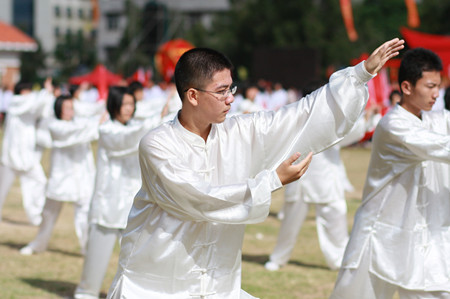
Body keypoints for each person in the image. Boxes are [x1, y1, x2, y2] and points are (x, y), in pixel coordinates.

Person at [107, 38, 404, 299]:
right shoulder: (158, 144)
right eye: (221, 91)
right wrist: (271, 181)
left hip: (216, 285)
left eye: (231, 88)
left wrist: (359, 75)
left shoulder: (240, 131)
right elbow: (198, 198)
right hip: (156, 286)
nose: (231, 98)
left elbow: (299, 116)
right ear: (192, 95)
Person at [330, 48, 450, 299]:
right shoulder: (393, 125)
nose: (436, 94)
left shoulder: (436, 120)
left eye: (438, 86)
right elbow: (442, 147)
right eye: (429, 86)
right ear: (406, 87)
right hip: (380, 237)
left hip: (424, 240)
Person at [74, 87, 162, 299]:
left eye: (132, 104)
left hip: (132, 205)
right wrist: (154, 120)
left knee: (137, 261)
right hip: (107, 205)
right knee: (96, 261)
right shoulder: (108, 130)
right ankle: (86, 293)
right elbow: (126, 140)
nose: (129, 109)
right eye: (125, 104)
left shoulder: (135, 126)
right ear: (114, 106)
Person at [264, 97, 367, 272]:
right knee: (289, 223)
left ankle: (339, 260)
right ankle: (278, 258)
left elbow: (352, 132)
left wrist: (363, 117)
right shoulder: (295, 123)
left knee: (336, 222)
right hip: (299, 182)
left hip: (325, 181)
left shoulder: (333, 123)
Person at [20, 95, 100, 255]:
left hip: (81, 178)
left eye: (72, 108)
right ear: (59, 110)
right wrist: (98, 123)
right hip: (61, 179)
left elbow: (90, 127)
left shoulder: (79, 123)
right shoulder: (55, 126)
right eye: (67, 108)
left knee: (84, 217)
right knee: (48, 215)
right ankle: (38, 244)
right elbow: (79, 133)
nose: (71, 111)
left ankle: (88, 249)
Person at [0, 81, 54, 225]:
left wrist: (47, 93)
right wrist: (45, 91)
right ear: (21, 91)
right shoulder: (16, 102)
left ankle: (36, 216)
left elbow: (43, 107)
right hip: (10, 157)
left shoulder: (29, 106)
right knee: (1, 191)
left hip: (27, 157)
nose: (30, 93)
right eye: (27, 90)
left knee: (40, 182)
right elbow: (33, 102)